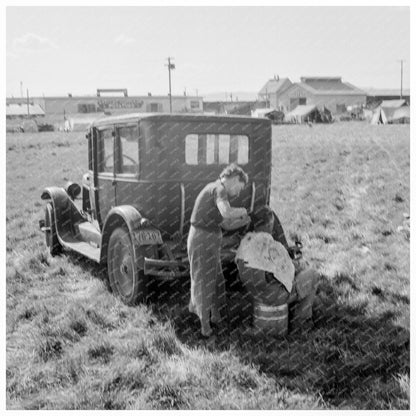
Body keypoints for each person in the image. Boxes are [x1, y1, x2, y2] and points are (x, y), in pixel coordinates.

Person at [188, 163, 251, 338]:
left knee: (217, 281)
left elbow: (225, 223)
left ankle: (215, 317)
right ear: (234, 179)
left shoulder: (215, 190)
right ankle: (204, 327)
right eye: (239, 187)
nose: (238, 193)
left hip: (209, 240)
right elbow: (226, 212)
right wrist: (244, 210)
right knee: (204, 281)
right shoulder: (219, 189)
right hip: (202, 240)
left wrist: (245, 221)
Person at [236, 205, 319, 331]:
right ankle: (301, 322)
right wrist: (295, 264)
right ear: (270, 223)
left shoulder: (245, 242)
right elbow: (289, 275)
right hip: (273, 298)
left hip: (253, 294)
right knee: (312, 274)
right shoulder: (273, 247)